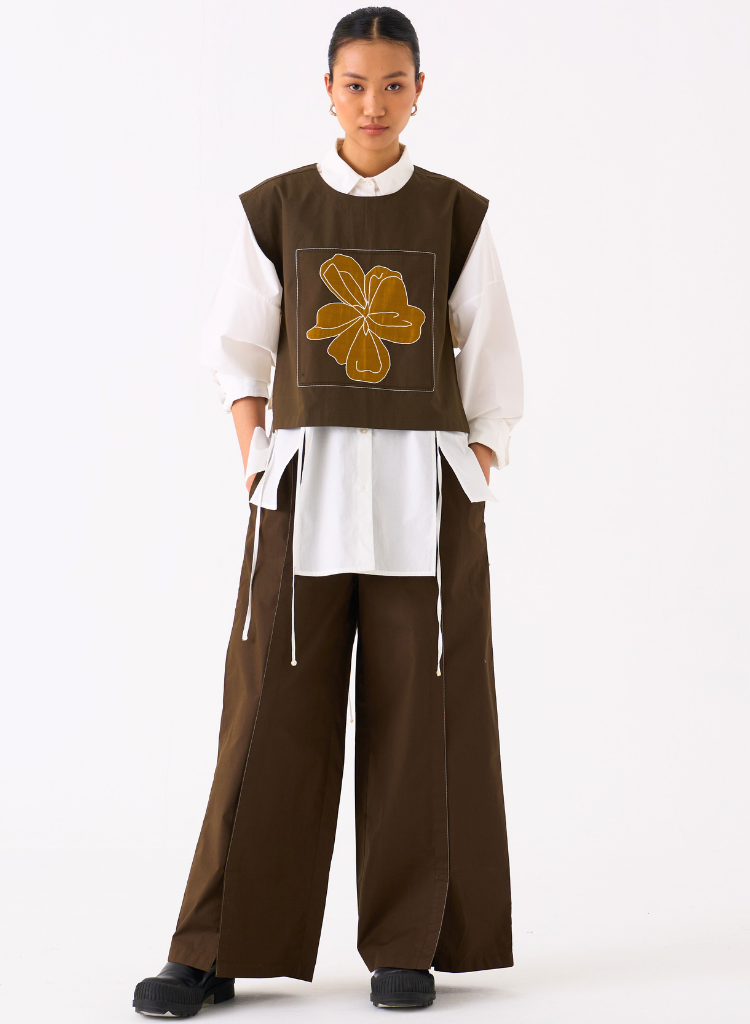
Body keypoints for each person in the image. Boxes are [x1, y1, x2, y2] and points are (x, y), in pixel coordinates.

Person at [133, 6, 523, 1016]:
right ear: (328, 90)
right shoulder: (278, 208)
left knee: (419, 721)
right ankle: (214, 945)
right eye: (356, 84)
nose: (373, 103)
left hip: (423, 501)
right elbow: (235, 351)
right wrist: (254, 454)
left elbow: (492, 363)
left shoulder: (455, 214)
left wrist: (477, 462)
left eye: (394, 84)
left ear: (420, 91)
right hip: (302, 491)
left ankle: (408, 943)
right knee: (265, 715)